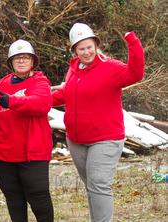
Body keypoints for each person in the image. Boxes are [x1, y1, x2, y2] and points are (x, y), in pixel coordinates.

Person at [52, 23, 144, 221]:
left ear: (95, 45)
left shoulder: (110, 67)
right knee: (92, 187)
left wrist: (132, 42)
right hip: (76, 140)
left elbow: (135, 74)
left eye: (89, 47)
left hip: (105, 138)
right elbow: (65, 93)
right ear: (74, 50)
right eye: (81, 48)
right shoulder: (74, 70)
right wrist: (39, 99)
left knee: (99, 184)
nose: (86, 52)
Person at [0, 39, 54, 222]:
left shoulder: (40, 81)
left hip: (33, 154)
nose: (21, 61)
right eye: (17, 58)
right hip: (4, 154)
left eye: (25, 57)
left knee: (39, 197)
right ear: (11, 62)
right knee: (14, 199)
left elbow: (42, 104)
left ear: (33, 61)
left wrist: (12, 101)